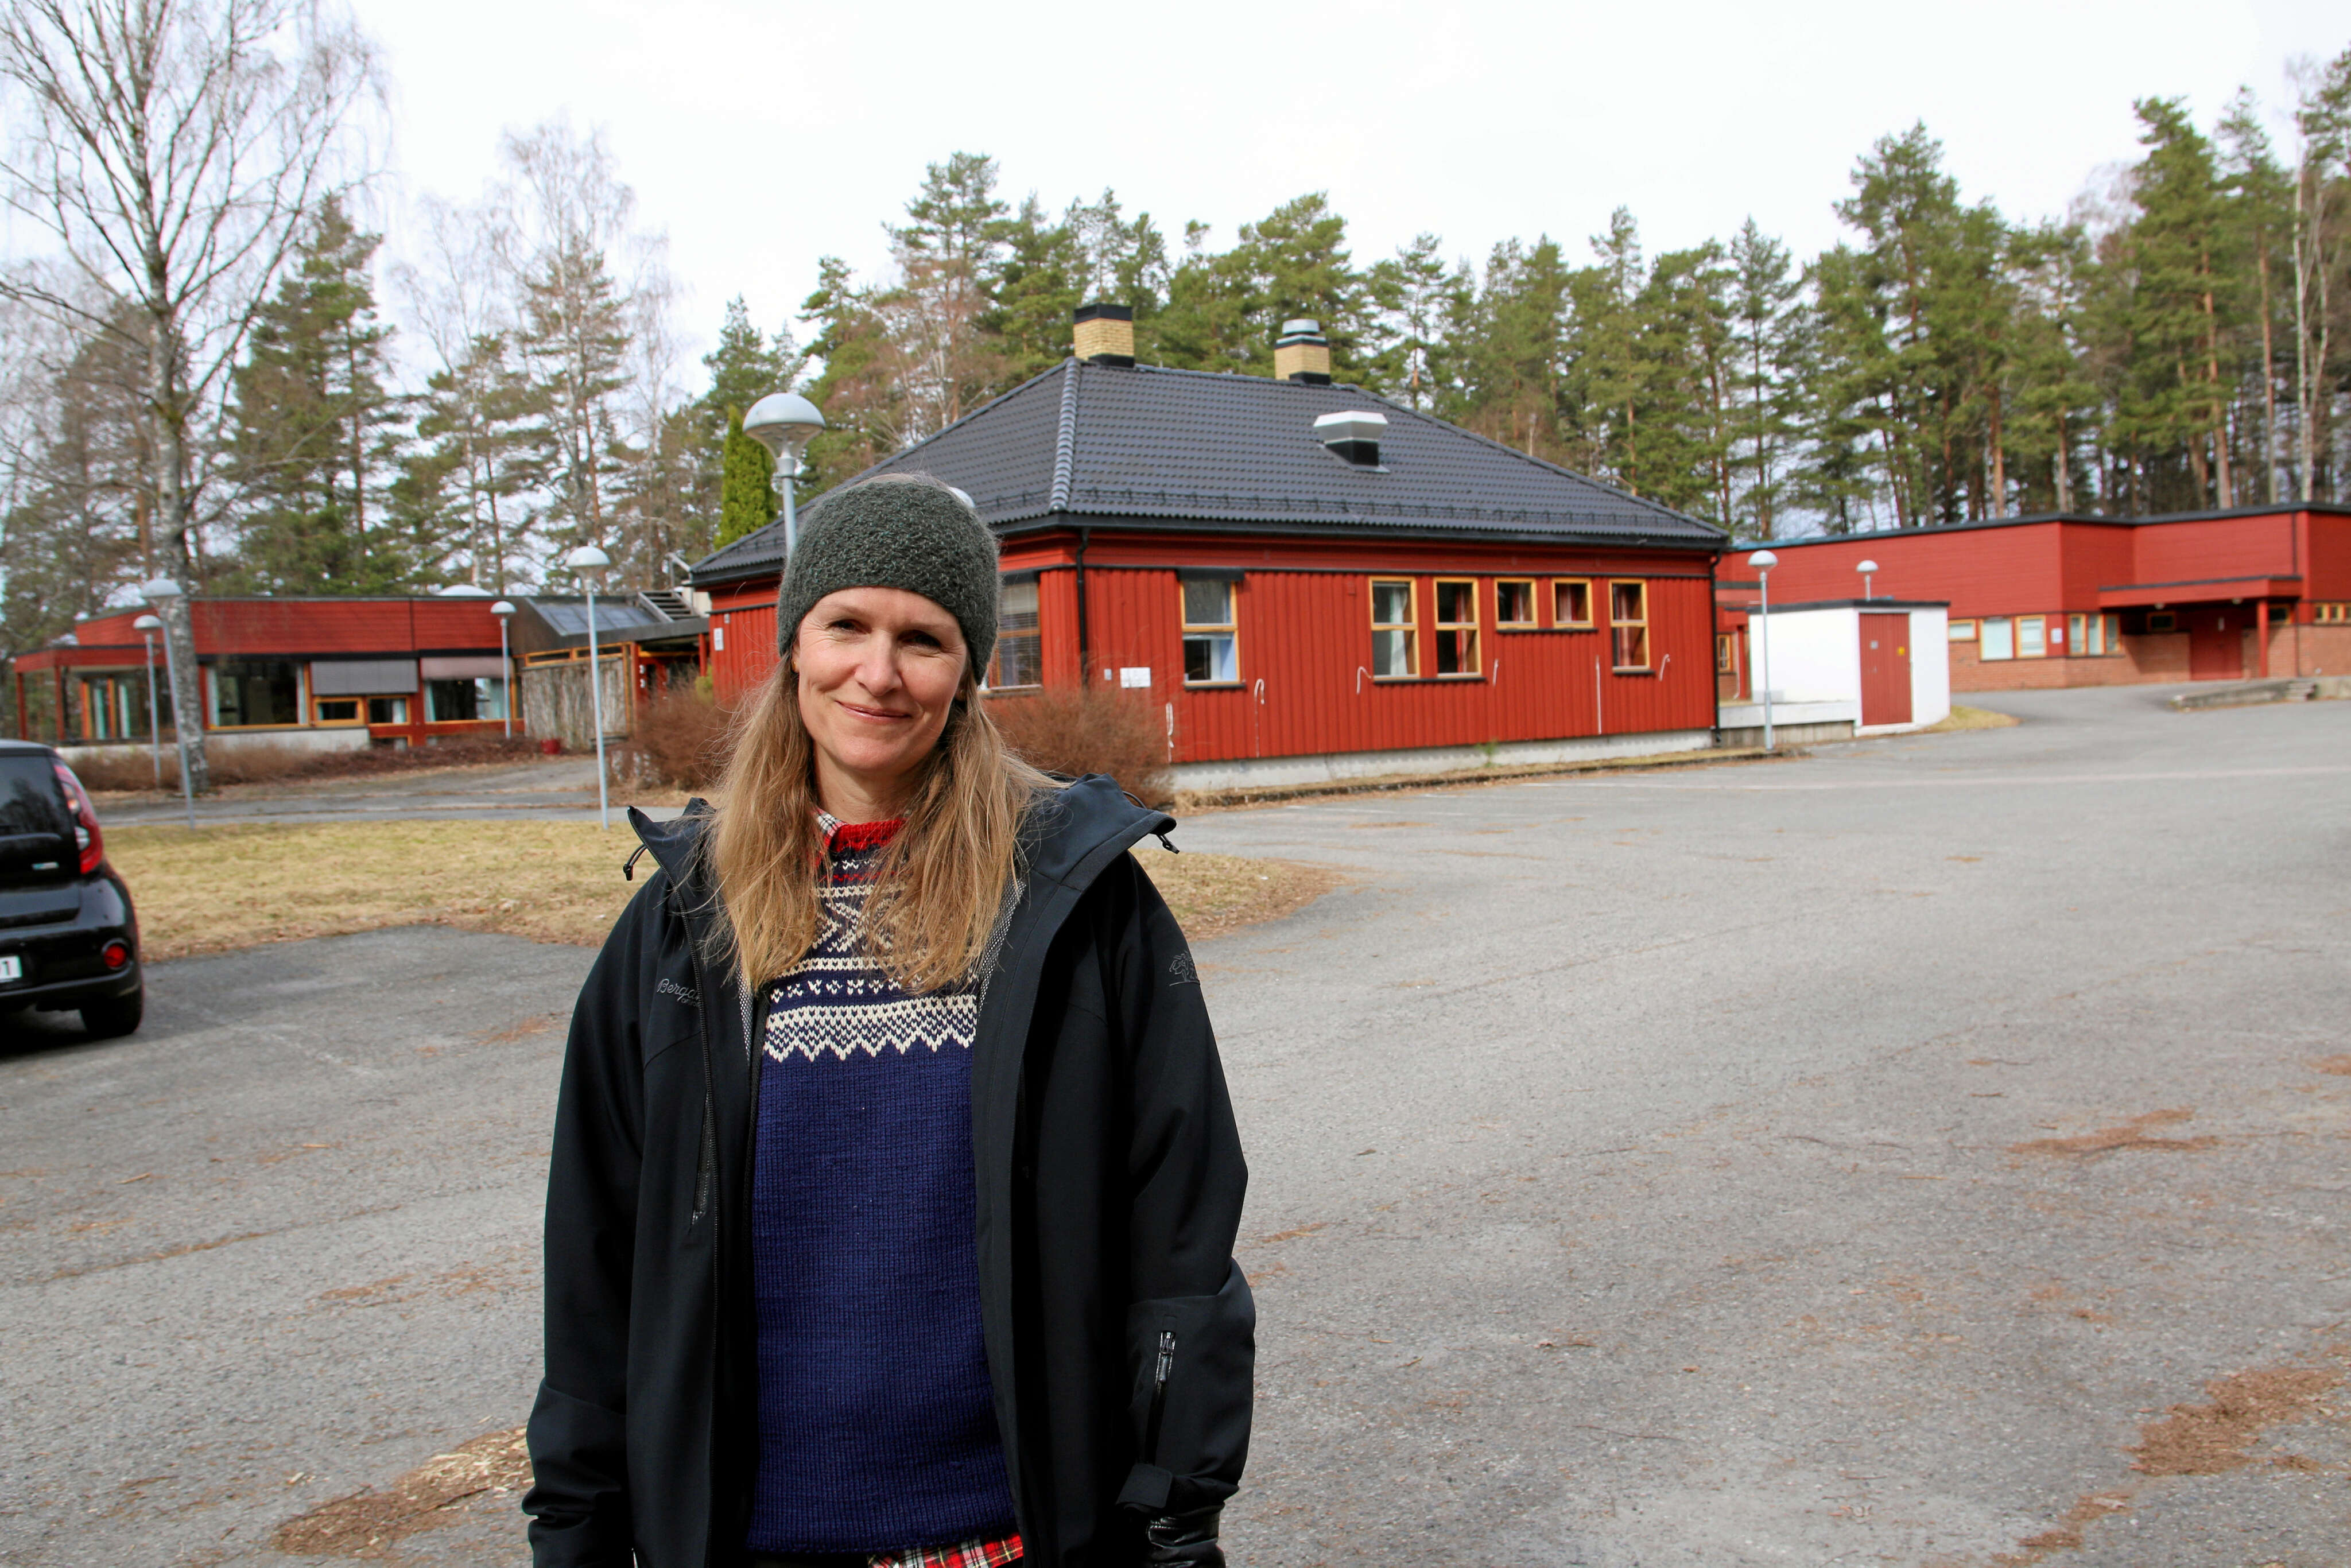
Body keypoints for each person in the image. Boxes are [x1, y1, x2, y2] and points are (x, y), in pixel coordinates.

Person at [524, 473, 1254, 1568]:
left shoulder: (1075, 905)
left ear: (967, 673)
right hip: (745, 1545)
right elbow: (595, 1258)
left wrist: (1171, 1513)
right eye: (847, 627)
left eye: (923, 639)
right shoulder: (682, 925)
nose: (878, 672)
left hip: (1011, 1539)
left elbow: (1181, 1238)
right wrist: (577, 1531)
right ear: (794, 648)